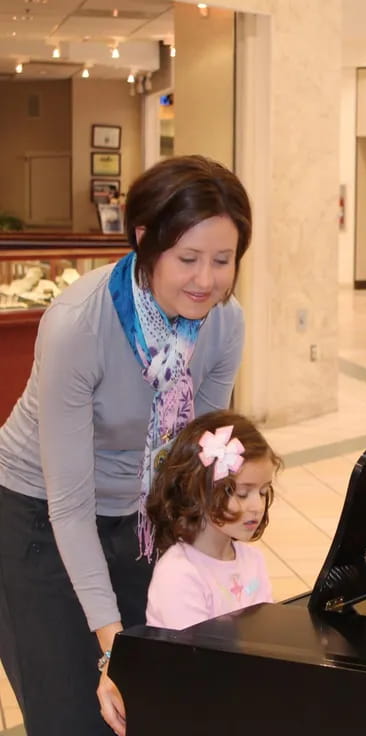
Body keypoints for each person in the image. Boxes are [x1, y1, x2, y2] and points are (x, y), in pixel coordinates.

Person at [0, 154, 252, 736]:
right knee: (74, 717)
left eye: (222, 261)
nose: (205, 280)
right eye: (187, 259)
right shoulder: (77, 325)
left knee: (152, 705)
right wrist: (114, 645)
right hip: (39, 516)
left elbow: (198, 456)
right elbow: (68, 504)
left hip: (142, 515)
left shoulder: (224, 323)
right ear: (145, 239)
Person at [145, 410, 278, 631]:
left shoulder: (253, 560)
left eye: (263, 492)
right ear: (200, 492)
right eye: (242, 494)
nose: (257, 507)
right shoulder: (180, 573)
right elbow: (197, 659)